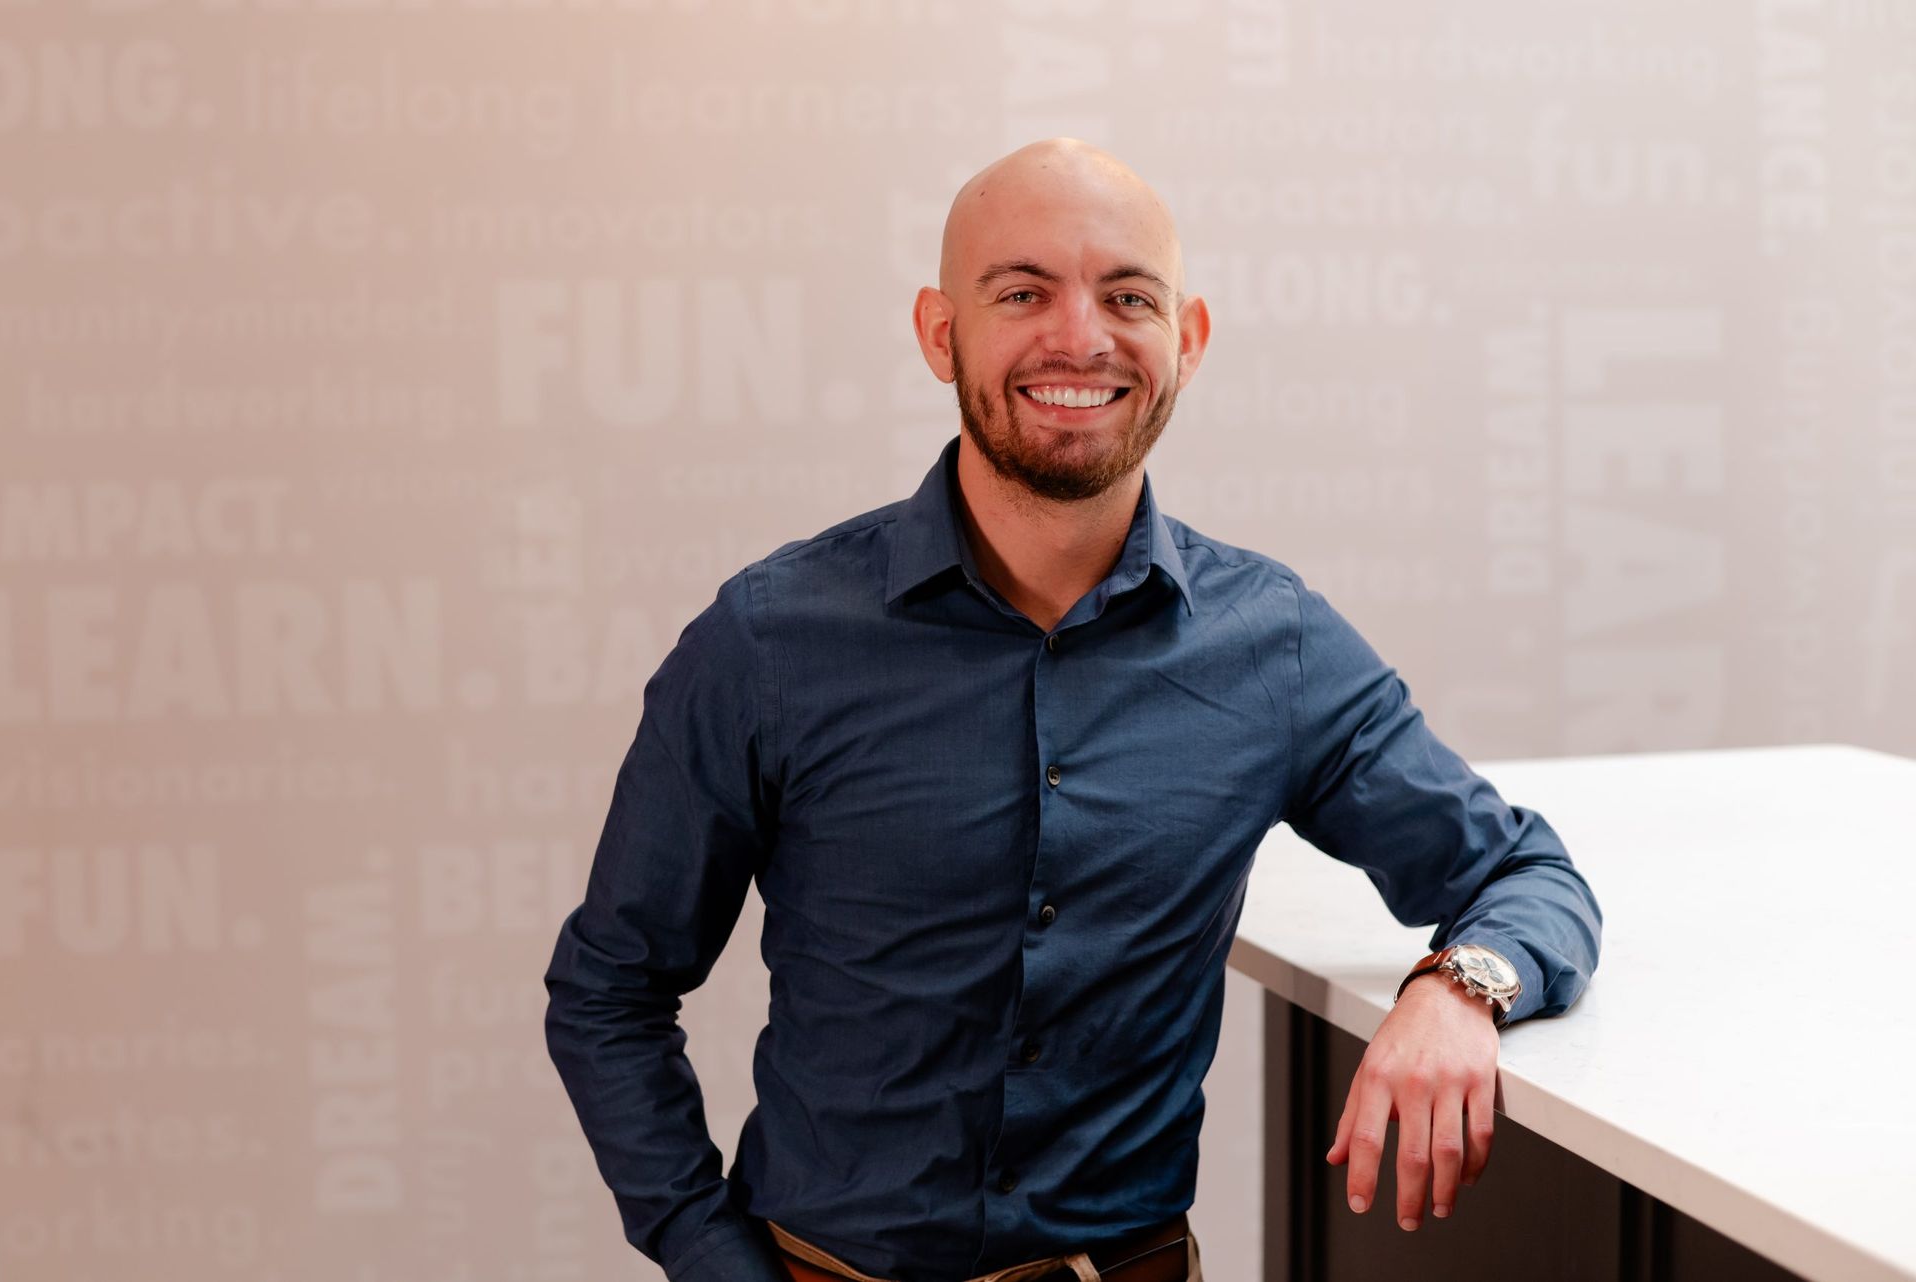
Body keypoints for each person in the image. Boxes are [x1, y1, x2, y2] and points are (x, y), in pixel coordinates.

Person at [543, 138, 1603, 1282]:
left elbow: (1529, 878)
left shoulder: (1277, 648)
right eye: (1022, 292)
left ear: (1185, 343)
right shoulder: (766, 644)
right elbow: (611, 990)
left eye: (1128, 295)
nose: (1081, 337)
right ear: (939, 332)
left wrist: (1457, 992)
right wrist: (713, 1260)